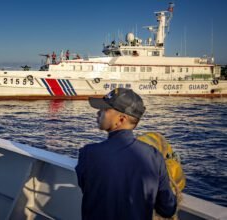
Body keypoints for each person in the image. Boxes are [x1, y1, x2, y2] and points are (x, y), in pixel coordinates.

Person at [75, 88, 177, 220]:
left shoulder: (88, 153)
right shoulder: (154, 157)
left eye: (104, 109)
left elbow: (87, 187)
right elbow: (167, 209)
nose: (98, 113)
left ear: (121, 119)